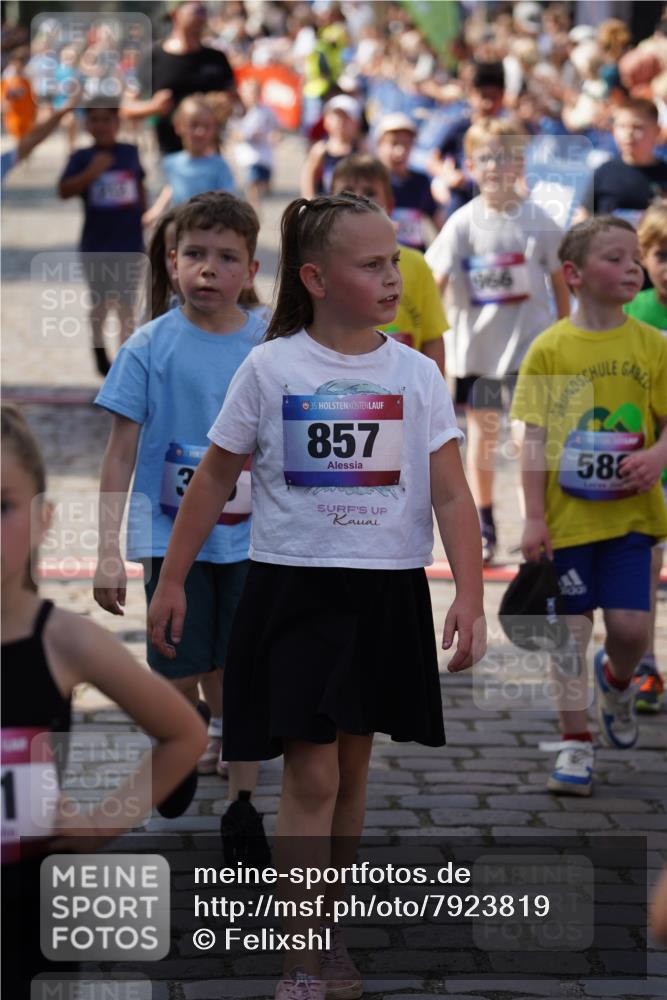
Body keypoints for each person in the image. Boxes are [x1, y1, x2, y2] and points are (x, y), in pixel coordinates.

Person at [147, 192, 486, 997]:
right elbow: (217, 475)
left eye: (393, 259)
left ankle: (326, 929)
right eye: (370, 264)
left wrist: (469, 596)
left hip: (385, 595)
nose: (392, 275)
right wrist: (170, 576)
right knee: (312, 777)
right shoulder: (271, 366)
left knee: (353, 777)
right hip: (294, 591)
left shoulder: (415, 373)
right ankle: (300, 954)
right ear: (317, 278)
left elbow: (449, 493)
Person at [1, 402, 207, 992]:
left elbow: (184, 732)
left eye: (2, 506)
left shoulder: (64, 641)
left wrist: (100, 824)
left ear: (43, 520)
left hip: (24, 922)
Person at [93, 193, 266, 835]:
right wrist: (110, 547)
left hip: (254, 537)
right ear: (171, 263)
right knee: (177, 666)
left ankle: (243, 806)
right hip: (169, 537)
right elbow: (119, 455)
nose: (209, 269)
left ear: (250, 270)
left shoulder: (270, 339)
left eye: (227, 257)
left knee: (239, 668)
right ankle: (182, 739)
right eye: (195, 254)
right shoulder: (147, 346)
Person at [512, 216, 667, 796]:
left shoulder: (652, 345)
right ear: (574, 274)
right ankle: (575, 744)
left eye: (636, 258)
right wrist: (531, 514)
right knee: (569, 635)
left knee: (629, 630)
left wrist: (656, 455)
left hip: (632, 518)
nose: (633, 267)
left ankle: (619, 682)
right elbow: (532, 437)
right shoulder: (551, 348)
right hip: (567, 521)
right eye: (616, 258)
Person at [425, 118, 570, 564]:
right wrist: (435, 339)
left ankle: (535, 523)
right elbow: (434, 281)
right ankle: (485, 523)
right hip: (479, 355)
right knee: (484, 442)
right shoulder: (462, 223)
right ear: (469, 164)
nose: (495, 165)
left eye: (506, 155)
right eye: (486, 156)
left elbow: (560, 278)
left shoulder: (539, 221)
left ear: (520, 164)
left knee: (532, 438)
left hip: (531, 349)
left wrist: (565, 332)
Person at [331, 152, 446, 372]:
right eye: (346, 192)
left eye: (370, 192)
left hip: (405, 389)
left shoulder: (416, 264)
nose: (358, 201)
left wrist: (436, 397)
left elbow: (433, 338)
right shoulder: (322, 266)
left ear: (390, 205)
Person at [58, 100, 146, 377]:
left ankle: (125, 362)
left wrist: (145, 215)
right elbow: (63, 190)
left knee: (126, 304)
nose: (101, 125)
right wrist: (92, 172)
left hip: (130, 241)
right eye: (94, 119)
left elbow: (139, 186)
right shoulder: (81, 157)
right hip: (97, 243)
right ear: (86, 124)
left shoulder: (130, 152)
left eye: (106, 120)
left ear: (117, 123)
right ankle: (99, 352)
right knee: (101, 302)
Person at [623, 198, 667, 712]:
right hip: (646, 464)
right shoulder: (632, 311)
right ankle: (648, 664)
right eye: (662, 254)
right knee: (649, 567)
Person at [121, 0, 237, 156]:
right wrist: (153, 107)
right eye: (196, 10)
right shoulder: (155, 56)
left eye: (204, 11)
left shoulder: (216, 58)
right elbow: (126, 108)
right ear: (176, 14)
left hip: (210, 155)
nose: (202, 17)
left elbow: (236, 99)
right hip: (169, 155)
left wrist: (224, 102)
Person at [143, 93, 236, 226]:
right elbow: (171, 188)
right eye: (194, 125)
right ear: (178, 126)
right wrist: (156, 211)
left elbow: (227, 197)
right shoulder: (171, 163)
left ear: (214, 129)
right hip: (179, 228)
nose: (200, 132)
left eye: (206, 126)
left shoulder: (219, 166)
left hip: (207, 230)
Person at [428, 60, 506, 219]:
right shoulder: (460, 126)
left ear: (503, 96)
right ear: (472, 94)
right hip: (462, 201)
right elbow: (432, 161)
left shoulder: (507, 131)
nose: (488, 103)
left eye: (495, 97)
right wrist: (448, 175)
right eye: (483, 96)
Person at [587, 98, 667, 224]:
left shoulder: (664, 174)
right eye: (622, 126)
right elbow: (584, 217)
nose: (629, 133)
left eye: (638, 127)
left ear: (657, 131)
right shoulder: (603, 173)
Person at [374, 113, 443, 253]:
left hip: (414, 259)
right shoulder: (370, 182)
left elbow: (437, 220)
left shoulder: (421, 182)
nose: (400, 151)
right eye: (393, 143)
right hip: (380, 261)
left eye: (406, 144)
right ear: (380, 145)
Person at [233, 77, 281, 214]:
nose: (250, 96)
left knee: (262, 184)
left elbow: (277, 127)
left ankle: (255, 202)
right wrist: (239, 136)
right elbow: (233, 130)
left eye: (254, 92)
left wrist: (275, 136)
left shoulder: (265, 111)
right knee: (251, 182)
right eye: (247, 93)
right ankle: (253, 207)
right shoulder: (238, 111)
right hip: (248, 156)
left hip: (264, 155)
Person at [300, 94, 363, 198]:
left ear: (357, 123)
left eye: (346, 118)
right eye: (336, 116)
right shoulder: (321, 149)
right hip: (327, 207)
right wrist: (309, 201)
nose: (340, 122)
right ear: (326, 120)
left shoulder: (361, 150)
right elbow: (308, 176)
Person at [1, 46, 36, 142]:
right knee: (16, 132)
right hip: (13, 110)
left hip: (26, 109)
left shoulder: (27, 75)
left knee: (26, 133)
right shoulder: (8, 75)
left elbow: (31, 92)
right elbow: (4, 92)